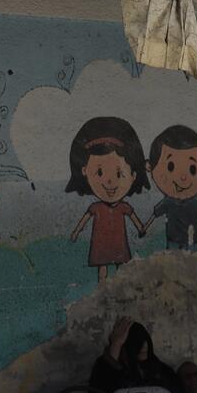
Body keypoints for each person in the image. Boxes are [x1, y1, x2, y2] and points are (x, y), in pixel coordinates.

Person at [65, 116, 150, 281]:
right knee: (102, 269)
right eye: (100, 172)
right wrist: (76, 231)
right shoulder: (96, 208)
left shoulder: (123, 207)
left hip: (119, 243)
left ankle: (117, 291)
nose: (110, 181)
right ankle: (102, 292)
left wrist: (141, 228)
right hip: (101, 244)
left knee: (120, 268)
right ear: (84, 171)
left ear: (133, 175)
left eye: (119, 173)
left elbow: (135, 219)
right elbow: (84, 220)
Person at [147, 124, 197, 251]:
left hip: (194, 242)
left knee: (193, 266)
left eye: (192, 169)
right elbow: (154, 214)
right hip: (174, 242)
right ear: (149, 167)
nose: (183, 178)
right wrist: (144, 228)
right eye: (170, 167)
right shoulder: (169, 202)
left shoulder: (195, 202)